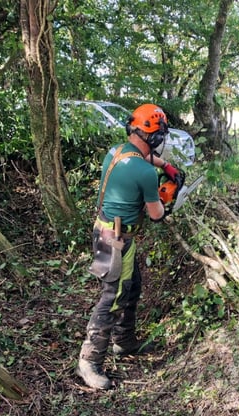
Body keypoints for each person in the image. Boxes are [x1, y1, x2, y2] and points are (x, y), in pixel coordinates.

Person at [77, 103, 183, 390]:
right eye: (159, 134)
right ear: (151, 136)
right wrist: (167, 196)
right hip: (117, 240)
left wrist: (167, 166)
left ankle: (123, 341)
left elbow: (142, 163)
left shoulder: (117, 151)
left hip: (104, 230)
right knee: (113, 295)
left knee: (132, 285)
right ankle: (89, 361)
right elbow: (156, 215)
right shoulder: (144, 173)